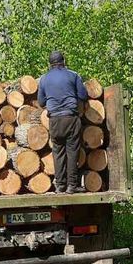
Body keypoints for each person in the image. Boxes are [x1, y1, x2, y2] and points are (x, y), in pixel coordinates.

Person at [37, 50, 89, 194]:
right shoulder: (73, 75)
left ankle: (60, 185)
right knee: (72, 152)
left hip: (54, 120)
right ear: (63, 61)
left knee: (58, 152)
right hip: (71, 118)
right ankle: (72, 186)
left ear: (50, 64)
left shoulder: (44, 79)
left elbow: (41, 102)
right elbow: (83, 95)